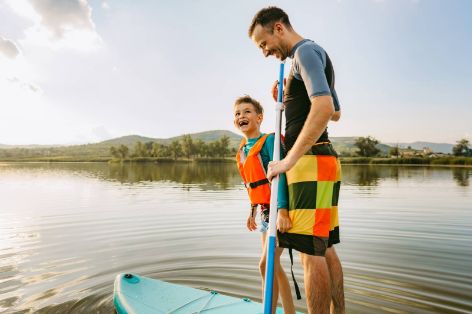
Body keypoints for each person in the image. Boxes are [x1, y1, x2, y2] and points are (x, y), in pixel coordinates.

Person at [248, 7, 345, 314]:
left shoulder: (304, 53)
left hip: (310, 164)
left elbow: (325, 106)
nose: (265, 52)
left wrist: (289, 160)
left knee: (309, 254)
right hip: (324, 162)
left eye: (264, 44)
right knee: (324, 248)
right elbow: (336, 112)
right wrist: (290, 94)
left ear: (278, 28)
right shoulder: (312, 57)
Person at [233, 95, 295, 314]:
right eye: (238, 113)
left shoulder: (269, 142)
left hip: (278, 210)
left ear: (259, 117)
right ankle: (289, 312)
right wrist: (252, 211)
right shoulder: (242, 151)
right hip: (264, 212)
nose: (242, 116)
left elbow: (281, 178)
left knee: (265, 265)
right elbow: (253, 186)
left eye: (247, 111)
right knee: (274, 268)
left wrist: (283, 212)